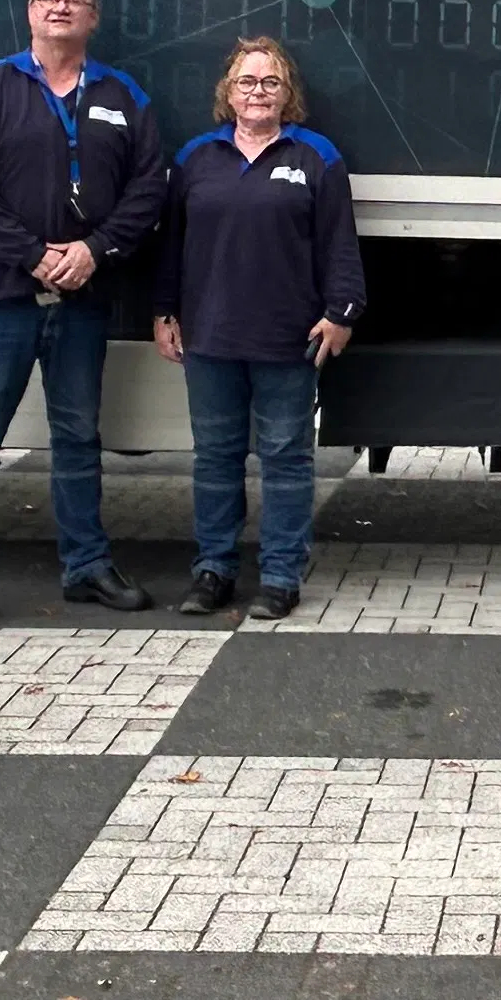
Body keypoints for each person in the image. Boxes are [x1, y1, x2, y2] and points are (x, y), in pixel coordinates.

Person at [0, 0, 168, 633]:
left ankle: (86, 566)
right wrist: (33, 255)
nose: (61, 7)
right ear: (30, 12)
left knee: (78, 438)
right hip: (2, 297)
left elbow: (149, 187)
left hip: (84, 298)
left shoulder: (124, 97)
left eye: (76, 0)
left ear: (94, 18)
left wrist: (93, 251)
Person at [154, 35, 364, 619]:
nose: (258, 92)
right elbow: (170, 245)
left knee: (286, 457)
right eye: (247, 81)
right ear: (228, 92)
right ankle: (214, 570)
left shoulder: (317, 156)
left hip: (288, 336)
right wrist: (164, 312)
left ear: (287, 92)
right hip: (209, 335)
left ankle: (279, 576)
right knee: (216, 457)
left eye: (270, 82)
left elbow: (339, 244)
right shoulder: (195, 157)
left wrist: (342, 310)